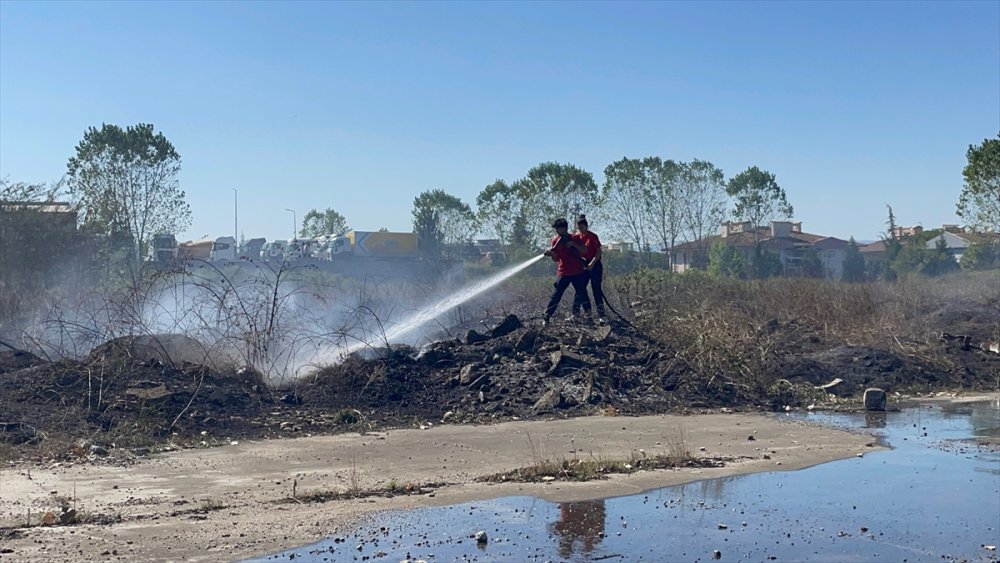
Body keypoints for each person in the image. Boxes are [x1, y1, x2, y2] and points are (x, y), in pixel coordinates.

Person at [542, 218, 593, 326]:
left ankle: (589, 316)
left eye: (558, 228)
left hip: (577, 272)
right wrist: (551, 254)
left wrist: (573, 244)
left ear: (564, 228)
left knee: (583, 294)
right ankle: (546, 317)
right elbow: (556, 258)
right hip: (563, 272)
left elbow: (584, 250)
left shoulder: (576, 238)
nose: (556, 231)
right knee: (556, 295)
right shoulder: (555, 241)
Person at [573, 214, 606, 323]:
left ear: (586, 226)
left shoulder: (593, 236)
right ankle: (576, 314)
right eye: (579, 228)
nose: (581, 230)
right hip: (584, 265)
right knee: (580, 288)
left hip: (595, 265)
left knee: (596, 289)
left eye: (582, 227)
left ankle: (601, 315)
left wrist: (591, 264)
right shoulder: (578, 237)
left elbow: (598, 253)